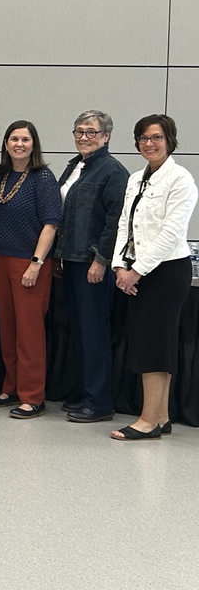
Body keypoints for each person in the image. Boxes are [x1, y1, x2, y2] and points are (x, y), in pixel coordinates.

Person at [110, 114, 197, 441]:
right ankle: (161, 415)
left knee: (155, 346)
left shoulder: (180, 179)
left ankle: (148, 422)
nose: (149, 143)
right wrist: (120, 265)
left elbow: (170, 233)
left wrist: (136, 271)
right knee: (152, 342)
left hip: (166, 271)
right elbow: (124, 225)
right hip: (136, 269)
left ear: (170, 141)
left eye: (156, 137)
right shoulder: (136, 178)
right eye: (144, 138)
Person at [0, 121, 61, 419]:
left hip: (29, 263)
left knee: (29, 331)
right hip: (0, 259)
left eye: (25, 139)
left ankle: (32, 396)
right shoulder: (0, 175)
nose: (19, 144)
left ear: (33, 144)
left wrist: (37, 263)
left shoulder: (43, 178)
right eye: (14, 138)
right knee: (8, 326)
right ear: (5, 144)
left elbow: (51, 223)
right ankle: (12, 385)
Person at [54, 111, 128, 423]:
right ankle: (86, 393)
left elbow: (115, 222)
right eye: (79, 131)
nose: (84, 137)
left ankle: (99, 402)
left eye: (92, 132)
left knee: (94, 332)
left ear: (106, 136)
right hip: (70, 260)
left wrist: (101, 260)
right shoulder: (74, 166)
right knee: (80, 332)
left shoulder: (113, 171)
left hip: (92, 264)